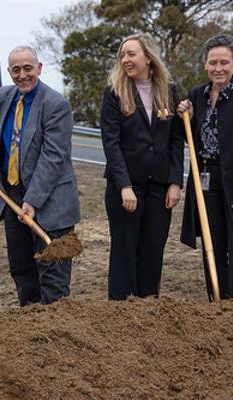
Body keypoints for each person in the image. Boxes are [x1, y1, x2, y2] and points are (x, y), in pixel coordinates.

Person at [0, 45, 80, 306]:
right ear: (9, 72)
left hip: (51, 200)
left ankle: (56, 325)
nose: (22, 75)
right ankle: (30, 324)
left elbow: (53, 157)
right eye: (16, 70)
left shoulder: (56, 104)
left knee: (52, 272)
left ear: (39, 68)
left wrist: (32, 201)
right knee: (22, 269)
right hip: (12, 195)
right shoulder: (4, 96)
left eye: (28, 68)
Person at [100, 33, 184, 301]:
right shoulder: (114, 92)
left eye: (131, 54)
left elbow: (175, 140)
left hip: (159, 187)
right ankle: (121, 310)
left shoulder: (168, 91)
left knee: (152, 250)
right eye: (122, 55)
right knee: (125, 252)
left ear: (148, 57)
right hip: (126, 187)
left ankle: (148, 308)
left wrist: (175, 182)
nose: (125, 59)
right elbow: (111, 143)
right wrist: (124, 185)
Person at [177, 34, 233, 301]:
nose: (218, 68)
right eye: (213, 63)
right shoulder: (196, 95)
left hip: (231, 178)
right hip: (206, 178)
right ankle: (217, 300)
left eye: (224, 62)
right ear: (205, 65)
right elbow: (188, 136)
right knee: (213, 240)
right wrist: (185, 116)